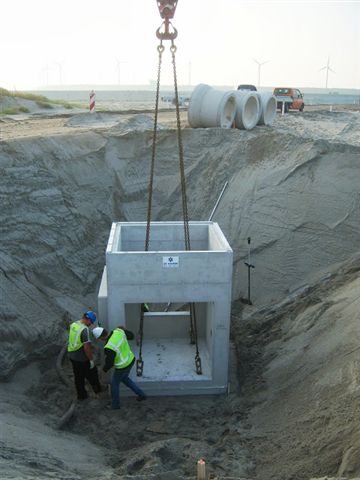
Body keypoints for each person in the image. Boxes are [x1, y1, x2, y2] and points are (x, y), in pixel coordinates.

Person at [92, 325, 146, 409]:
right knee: (125, 379)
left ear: (101, 338)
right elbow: (131, 336)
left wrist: (103, 370)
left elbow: (110, 363)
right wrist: (125, 330)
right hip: (130, 360)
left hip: (122, 366)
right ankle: (141, 394)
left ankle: (115, 405)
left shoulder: (109, 347)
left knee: (114, 384)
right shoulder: (118, 331)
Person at [67, 310, 102, 401]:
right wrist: (90, 360)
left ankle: (82, 396)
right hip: (81, 358)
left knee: (78, 377)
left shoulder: (74, 324)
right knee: (92, 374)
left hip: (72, 355)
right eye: (91, 322)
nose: (91, 324)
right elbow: (87, 347)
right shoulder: (84, 330)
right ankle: (98, 390)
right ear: (88, 319)